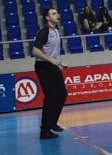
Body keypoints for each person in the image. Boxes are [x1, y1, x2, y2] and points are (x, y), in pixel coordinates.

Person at [32, 7, 68, 139]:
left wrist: (59, 62)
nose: (57, 14)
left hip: (53, 66)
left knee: (62, 94)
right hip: (43, 67)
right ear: (47, 18)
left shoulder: (56, 31)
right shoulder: (44, 31)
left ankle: (52, 123)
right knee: (50, 97)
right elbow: (35, 51)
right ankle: (45, 130)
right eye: (53, 13)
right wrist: (51, 60)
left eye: (57, 12)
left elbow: (52, 52)